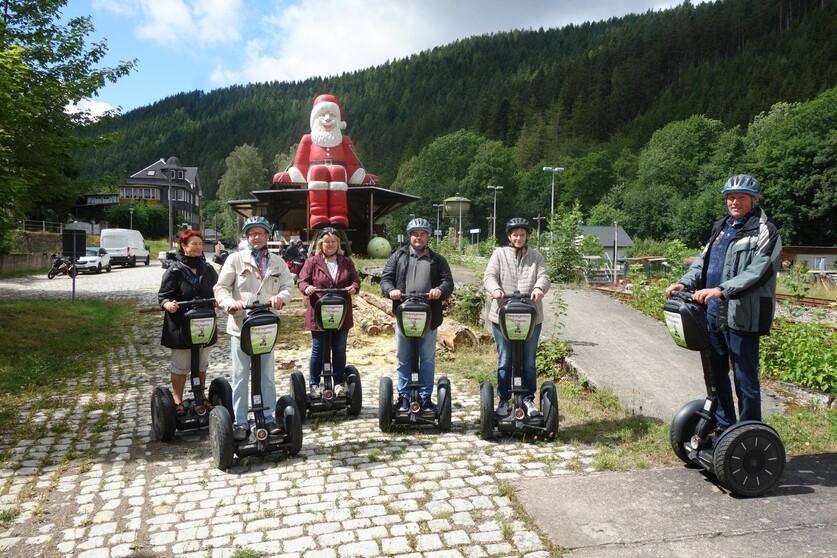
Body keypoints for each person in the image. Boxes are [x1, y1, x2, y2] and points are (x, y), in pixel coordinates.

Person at [665, 174, 782, 432]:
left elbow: (759, 271)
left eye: (741, 197)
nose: (735, 202)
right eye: (730, 197)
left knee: (745, 380)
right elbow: (703, 261)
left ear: (755, 199)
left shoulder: (765, 230)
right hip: (713, 315)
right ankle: (724, 426)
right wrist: (684, 282)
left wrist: (721, 289)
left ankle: (749, 431)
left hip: (743, 315)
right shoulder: (722, 227)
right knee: (716, 374)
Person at [214, 216, 295, 441]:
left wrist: (281, 297)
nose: (256, 237)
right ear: (247, 237)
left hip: (266, 326)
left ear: (268, 235)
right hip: (242, 324)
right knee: (240, 376)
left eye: (260, 233)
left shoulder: (278, 262)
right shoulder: (235, 259)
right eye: (251, 233)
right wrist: (230, 303)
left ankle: (268, 418)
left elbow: (289, 286)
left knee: (267, 375)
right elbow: (220, 288)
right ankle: (240, 422)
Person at [381, 218, 454, 412]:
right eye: (415, 234)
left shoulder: (437, 260)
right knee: (403, 357)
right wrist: (391, 291)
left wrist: (440, 290)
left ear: (428, 236)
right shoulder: (398, 256)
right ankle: (404, 397)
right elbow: (386, 279)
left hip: (429, 317)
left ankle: (425, 398)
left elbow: (448, 282)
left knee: (427, 359)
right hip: (404, 316)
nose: (418, 237)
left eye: (422, 234)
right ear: (409, 236)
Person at [273, 94, 378, 229]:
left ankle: (339, 215)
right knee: (318, 171)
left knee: (337, 170)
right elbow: (301, 163)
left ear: (339, 119)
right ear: (315, 118)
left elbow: (353, 163)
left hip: (340, 171)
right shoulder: (308, 139)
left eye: (332, 115)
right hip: (314, 171)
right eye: (323, 114)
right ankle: (317, 215)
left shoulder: (345, 141)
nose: (327, 118)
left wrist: (358, 175)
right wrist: (296, 174)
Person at [484, 218, 551, 418]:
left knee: (529, 361)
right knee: (505, 360)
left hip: (531, 316)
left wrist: (539, 288)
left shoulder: (536, 256)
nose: (518, 238)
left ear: (527, 236)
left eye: (522, 234)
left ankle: (528, 399)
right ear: (509, 236)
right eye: (515, 234)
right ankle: (504, 400)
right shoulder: (499, 254)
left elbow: (544, 276)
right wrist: (495, 289)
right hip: (502, 316)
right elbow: (489, 275)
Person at [158, 230, 219, 416]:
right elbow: (163, 296)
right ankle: (177, 400)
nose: (198, 247)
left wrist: (218, 300)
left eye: (200, 244)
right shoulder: (174, 270)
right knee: (181, 363)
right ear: (184, 246)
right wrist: (168, 304)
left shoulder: (207, 269)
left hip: (204, 322)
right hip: (181, 324)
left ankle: (200, 395)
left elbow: (218, 289)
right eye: (194, 244)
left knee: (201, 362)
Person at [298, 227, 361, 397]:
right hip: (318, 313)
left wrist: (353, 288)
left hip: (341, 312)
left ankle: (339, 383)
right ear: (321, 243)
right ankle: (314, 384)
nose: (330, 244)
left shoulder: (346, 261)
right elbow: (302, 281)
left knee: (339, 348)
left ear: (338, 243)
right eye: (327, 241)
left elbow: (355, 280)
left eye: (333, 241)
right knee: (318, 348)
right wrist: (307, 288)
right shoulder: (312, 262)